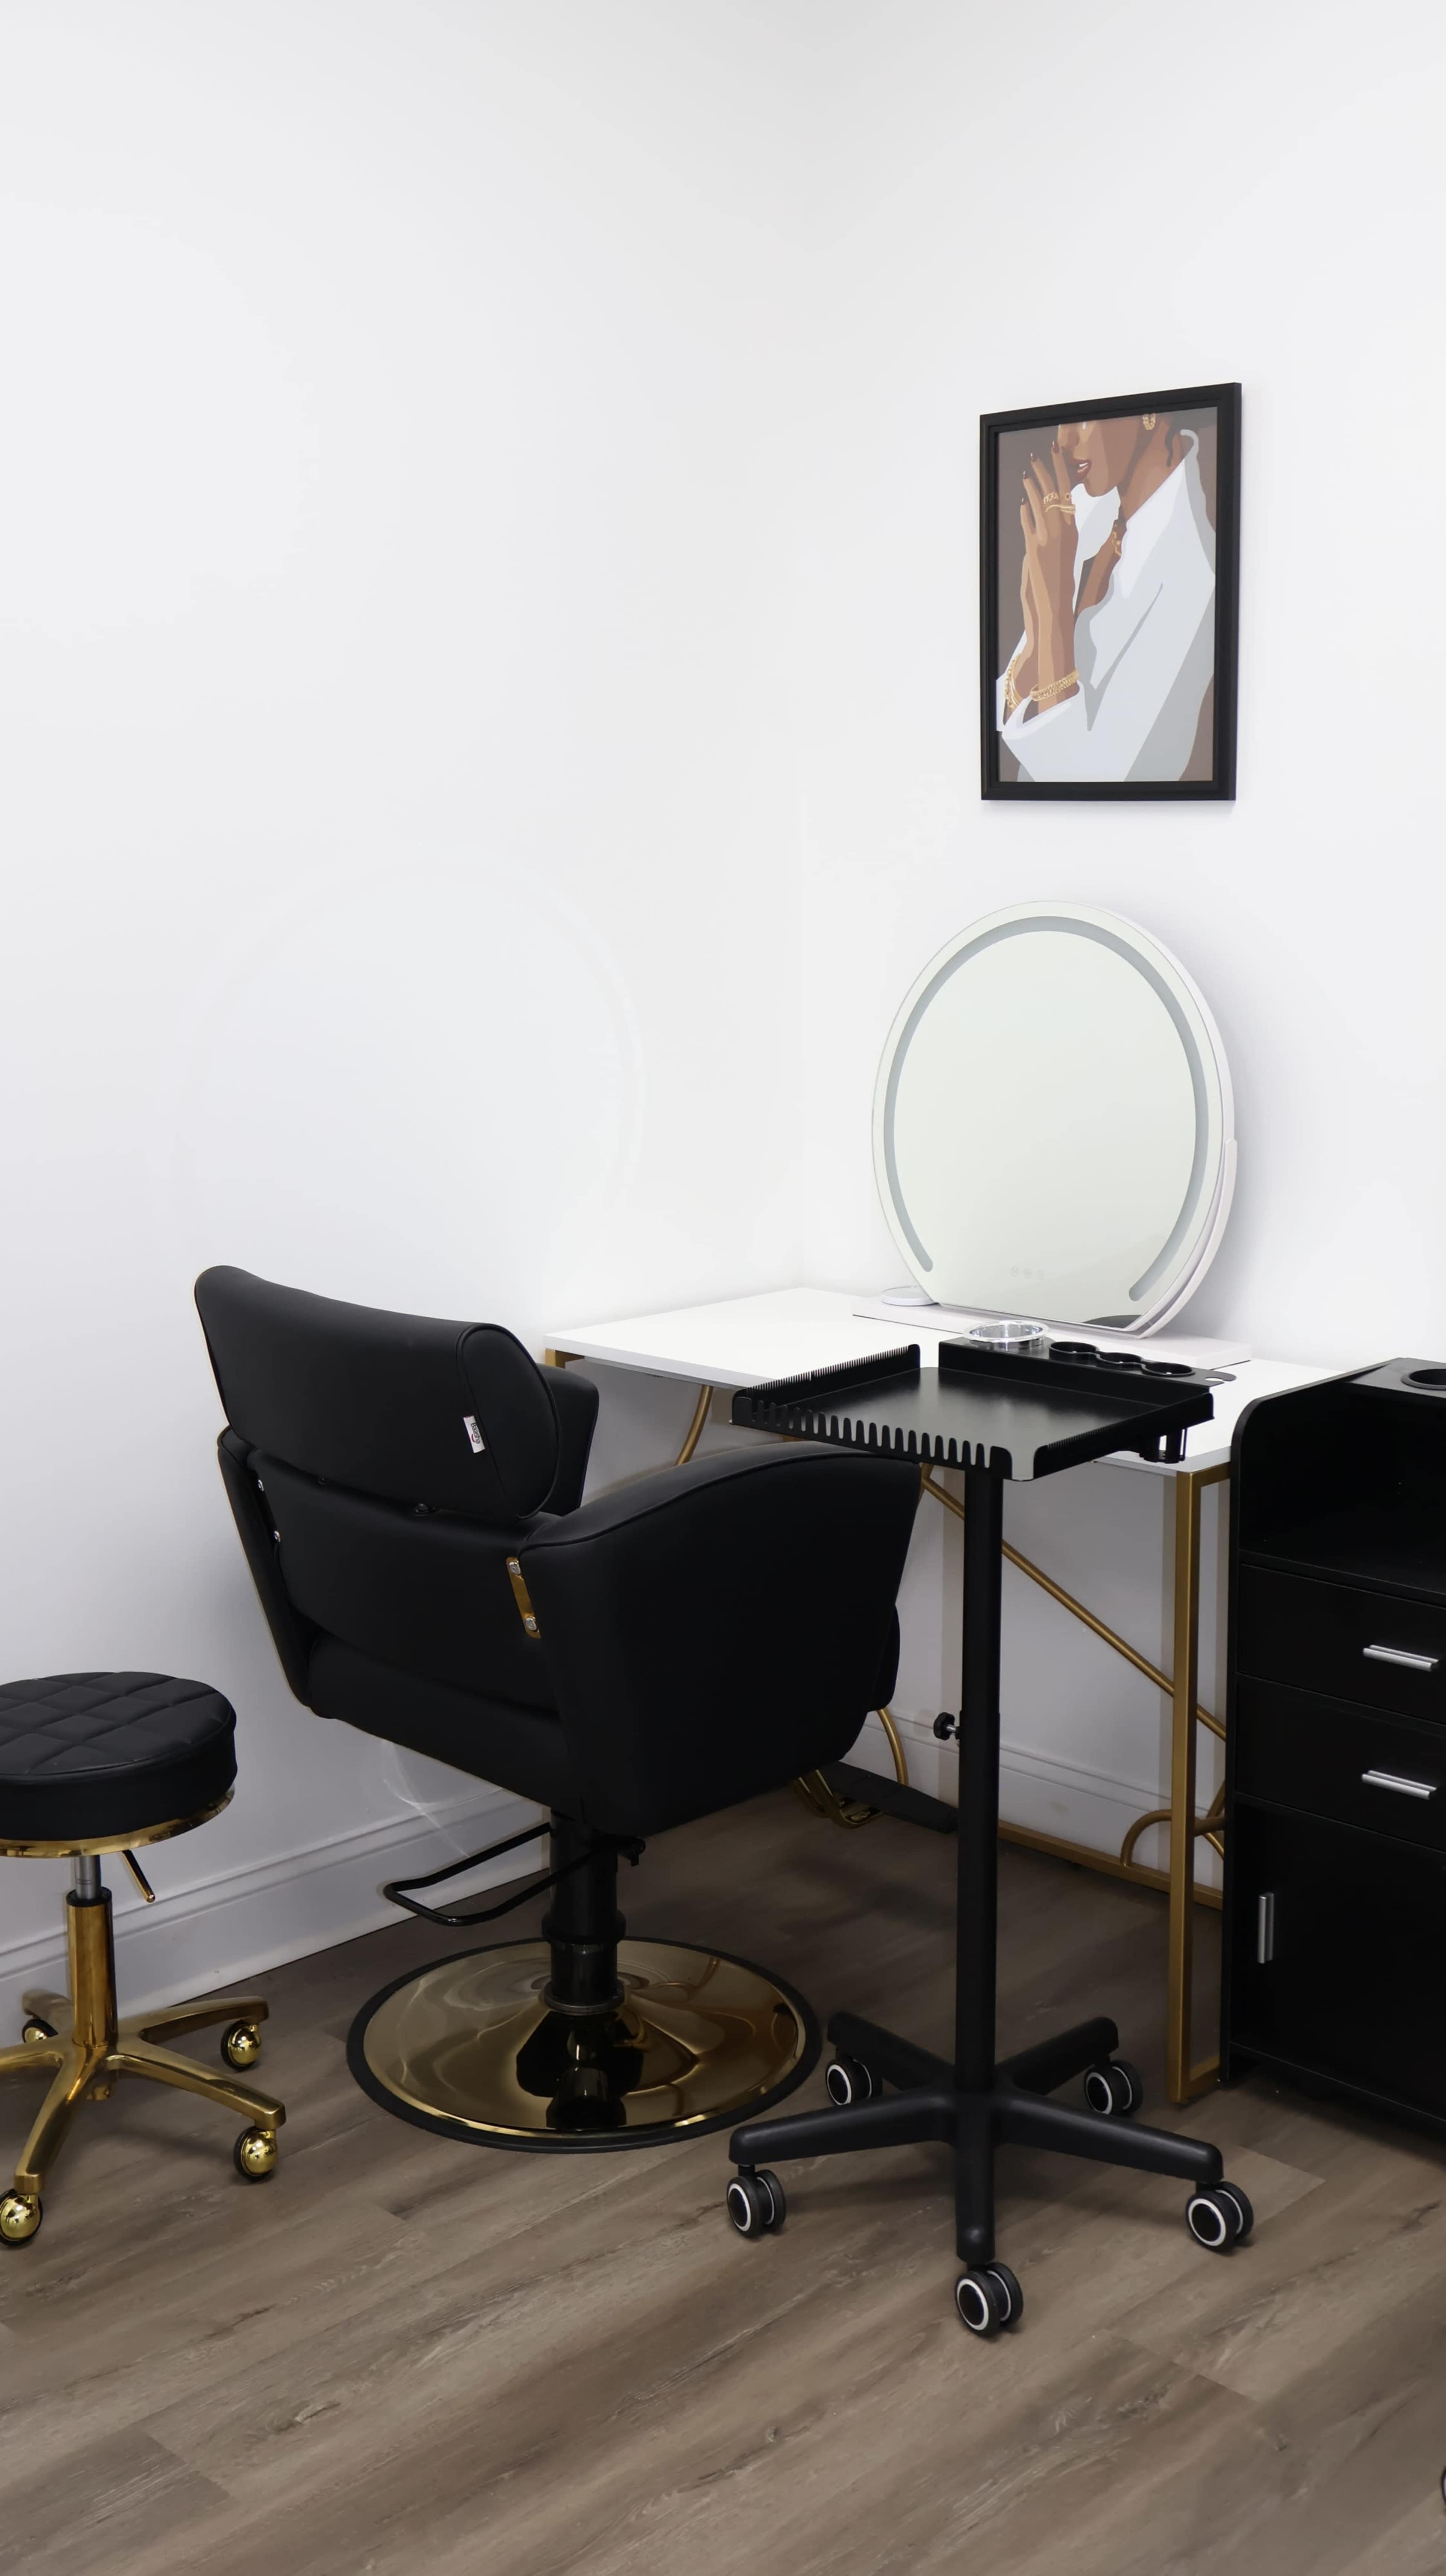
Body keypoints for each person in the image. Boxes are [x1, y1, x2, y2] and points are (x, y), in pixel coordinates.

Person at [996, 412, 1216, 783]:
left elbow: (1084, 777)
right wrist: (1038, 631)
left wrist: (1053, 609)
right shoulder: (1079, 510)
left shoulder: (1195, 575)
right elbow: (1005, 710)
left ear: (1150, 416)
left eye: (1082, 421)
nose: (1064, 441)